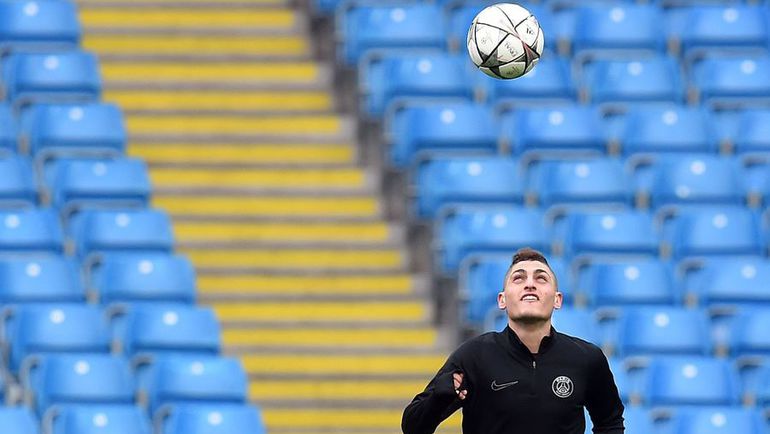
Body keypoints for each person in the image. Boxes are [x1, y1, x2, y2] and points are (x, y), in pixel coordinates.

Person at [402, 247, 624, 434]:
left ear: (557, 300)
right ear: (502, 300)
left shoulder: (587, 358)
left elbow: (610, 423)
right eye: (518, 278)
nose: (530, 284)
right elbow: (412, 427)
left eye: (541, 278)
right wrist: (437, 400)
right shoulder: (473, 356)